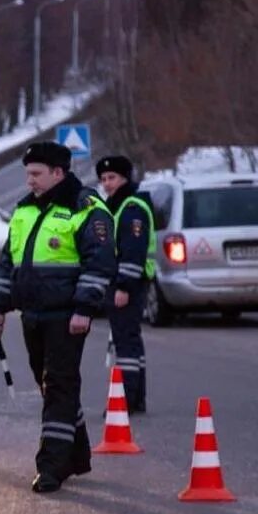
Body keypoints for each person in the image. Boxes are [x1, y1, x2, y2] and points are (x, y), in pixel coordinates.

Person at [0, 141, 116, 494]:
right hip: (32, 315)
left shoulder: (85, 208)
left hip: (66, 316)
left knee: (59, 384)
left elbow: (100, 261)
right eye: (27, 174)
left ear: (58, 173)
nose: (29, 181)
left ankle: (51, 466)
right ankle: (77, 455)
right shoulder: (24, 210)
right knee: (49, 385)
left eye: (36, 174)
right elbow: (11, 264)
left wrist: (84, 309)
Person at [97, 155, 155, 414]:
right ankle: (137, 398)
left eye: (112, 178)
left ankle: (128, 400)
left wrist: (123, 286)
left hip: (128, 284)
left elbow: (133, 252)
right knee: (131, 341)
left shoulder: (131, 208)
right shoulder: (118, 205)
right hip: (123, 282)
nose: (107, 184)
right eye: (103, 179)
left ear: (124, 178)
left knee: (126, 343)